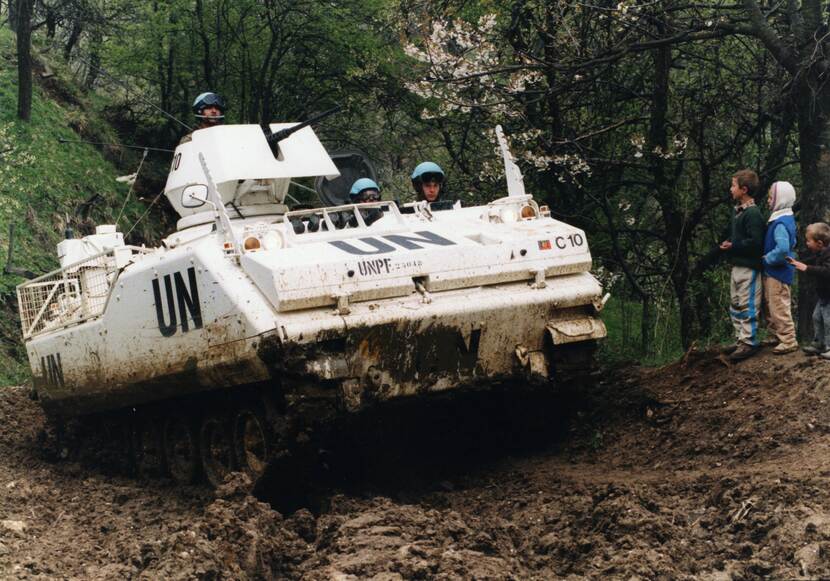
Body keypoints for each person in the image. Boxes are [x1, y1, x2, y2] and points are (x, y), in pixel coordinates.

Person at [720, 169, 765, 361]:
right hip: (737, 265)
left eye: (733, 186)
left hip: (749, 267)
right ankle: (740, 338)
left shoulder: (753, 213)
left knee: (748, 304)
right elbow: (739, 237)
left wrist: (734, 245)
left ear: (744, 189)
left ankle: (749, 341)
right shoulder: (738, 212)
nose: (731, 189)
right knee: (735, 303)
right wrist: (730, 243)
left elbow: (755, 242)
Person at [761, 181, 799, 354]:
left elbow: (783, 248)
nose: (768, 201)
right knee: (771, 303)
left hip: (779, 271)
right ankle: (776, 335)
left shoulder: (781, 223)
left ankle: (788, 339)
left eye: (771, 197)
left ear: (780, 199)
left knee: (778, 305)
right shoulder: (783, 219)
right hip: (773, 271)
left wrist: (768, 258)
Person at [788, 222, 830, 359]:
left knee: (828, 320)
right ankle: (819, 343)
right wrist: (796, 262)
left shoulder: (828, 254)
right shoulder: (819, 253)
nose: (807, 243)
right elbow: (810, 260)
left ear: (819, 243)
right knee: (817, 317)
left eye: (808, 241)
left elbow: (827, 271)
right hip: (823, 295)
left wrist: (806, 268)